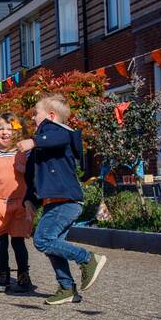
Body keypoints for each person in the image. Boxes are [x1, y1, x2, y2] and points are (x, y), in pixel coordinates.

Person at [17, 93, 107, 305]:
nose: (32, 119)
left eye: (35, 114)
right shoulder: (42, 145)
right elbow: (33, 176)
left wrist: (33, 141)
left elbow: (61, 136)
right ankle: (67, 288)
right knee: (53, 244)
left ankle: (88, 259)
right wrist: (30, 199)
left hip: (66, 202)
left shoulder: (55, 132)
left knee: (43, 240)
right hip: (55, 203)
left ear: (50, 116)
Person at [0, 112, 34, 294]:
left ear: (17, 132)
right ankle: (3, 274)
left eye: (9, 128)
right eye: (1, 128)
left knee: (18, 242)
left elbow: (32, 175)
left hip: (19, 203)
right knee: (0, 242)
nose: (5, 132)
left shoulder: (24, 153)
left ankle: (23, 274)